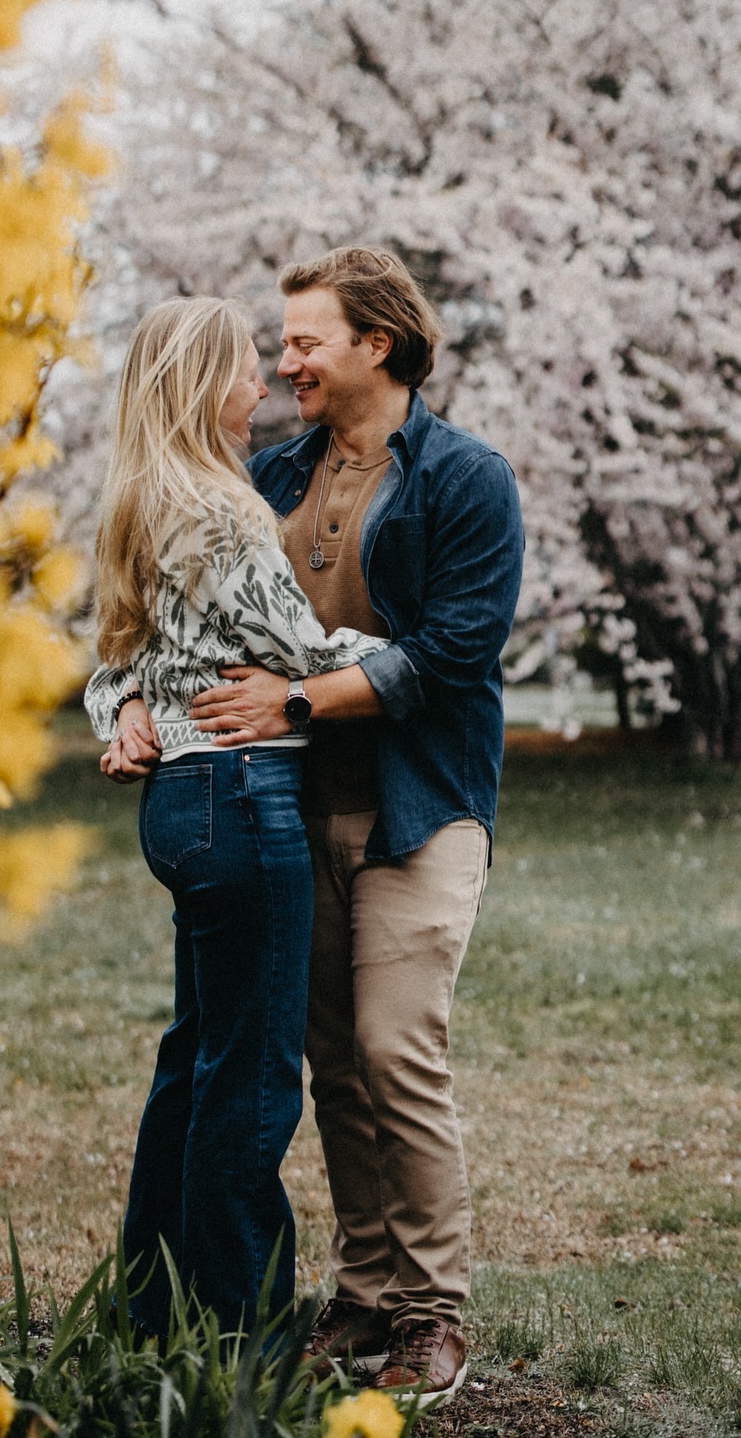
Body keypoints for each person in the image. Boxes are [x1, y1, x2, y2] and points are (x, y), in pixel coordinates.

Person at [188, 248, 525, 1410]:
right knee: (333, 1064)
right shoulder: (271, 476)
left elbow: (451, 656)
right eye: (282, 347)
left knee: (395, 1049)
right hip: (288, 810)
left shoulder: (468, 480)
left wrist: (295, 701)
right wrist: (137, 703)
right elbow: (202, 615)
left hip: (420, 810)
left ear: (376, 344)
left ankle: (435, 1313)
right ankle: (366, 1294)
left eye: (304, 343)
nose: (284, 365)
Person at [83, 295, 388, 1339]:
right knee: (254, 1082)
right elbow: (305, 651)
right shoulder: (219, 513)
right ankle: (242, 1336)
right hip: (239, 804)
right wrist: (418, 663)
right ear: (200, 384)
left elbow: (116, 660)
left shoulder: (142, 501)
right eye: (247, 367)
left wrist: (121, 709)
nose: (263, 384)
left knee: (196, 1063)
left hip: (184, 804)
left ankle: (154, 1312)